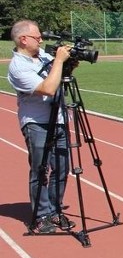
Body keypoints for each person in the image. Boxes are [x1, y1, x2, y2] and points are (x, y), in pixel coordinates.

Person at [7, 19, 76, 234]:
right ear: (23, 39)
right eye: (37, 38)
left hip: (59, 119)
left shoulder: (43, 56)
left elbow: (60, 77)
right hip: (36, 123)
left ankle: (55, 210)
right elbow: (47, 88)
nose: (41, 41)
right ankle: (41, 215)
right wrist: (58, 62)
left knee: (62, 169)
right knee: (41, 170)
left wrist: (69, 62)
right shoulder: (17, 67)